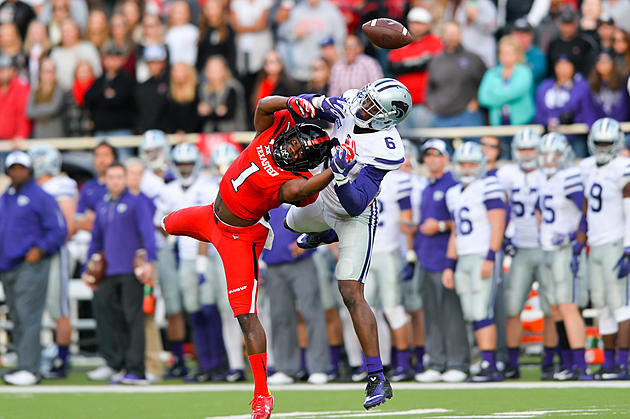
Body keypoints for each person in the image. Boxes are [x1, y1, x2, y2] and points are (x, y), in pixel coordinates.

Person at [162, 95, 335, 418]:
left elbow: (298, 192)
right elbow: (264, 105)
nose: (293, 150)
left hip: (239, 238)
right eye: (296, 142)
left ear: (305, 164)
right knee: (165, 224)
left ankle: (261, 394)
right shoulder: (271, 130)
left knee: (245, 315)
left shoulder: (294, 182)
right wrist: (298, 101)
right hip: (209, 216)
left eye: (302, 153)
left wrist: (334, 171)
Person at [286, 78, 413, 408]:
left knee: (349, 290)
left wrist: (342, 176)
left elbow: (356, 203)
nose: (362, 106)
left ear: (387, 118)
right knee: (287, 222)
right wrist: (311, 102)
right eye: (366, 99)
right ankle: (325, 233)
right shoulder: (353, 101)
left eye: (372, 106)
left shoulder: (387, 149)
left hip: (354, 212)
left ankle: (376, 378)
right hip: (323, 194)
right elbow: (305, 103)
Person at [157, 142, 227, 382]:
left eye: (188, 163)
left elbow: (209, 224)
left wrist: (201, 261)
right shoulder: (169, 190)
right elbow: (161, 220)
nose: (185, 169)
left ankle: (218, 363)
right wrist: (172, 239)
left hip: (205, 256)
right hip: (184, 257)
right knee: (194, 312)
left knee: (210, 310)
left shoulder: (207, 186)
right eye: (180, 164)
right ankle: (203, 365)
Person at [84, 162, 157, 385]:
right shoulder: (102, 205)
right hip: (109, 271)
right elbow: (96, 239)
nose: (115, 181)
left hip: (130, 271)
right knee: (113, 320)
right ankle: (123, 365)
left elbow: (148, 233)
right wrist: (87, 267)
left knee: (133, 319)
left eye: (119, 177)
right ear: (105, 179)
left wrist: (150, 262)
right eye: (111, 177)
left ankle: (137, 369)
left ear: (125, 179)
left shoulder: (136, 203)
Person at [497, 128, 559, 380]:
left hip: (546, 249)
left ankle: (549, 361)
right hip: (520, 248)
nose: (526, 154)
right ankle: (512, 363)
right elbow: (499, 207)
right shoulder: (506, 174)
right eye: (522, 149)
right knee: (513, 308)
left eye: (531, 149)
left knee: (551, 308)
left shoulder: (550, 174)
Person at [0, 151, 67, 386]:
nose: (17, 172)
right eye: (13, 168)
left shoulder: (41, 196)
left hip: (30, 264)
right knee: (17, 316)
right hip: (7, 264)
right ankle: (22, 363)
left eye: (21, 167)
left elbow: (58, 229)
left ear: (29, 170)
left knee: (29, 316)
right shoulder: (6, 196)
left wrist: (41, 248)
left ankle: (30, 367)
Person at [442, 141, 506, 382]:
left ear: (480, 165)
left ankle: (491, 363)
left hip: (482, 254)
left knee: (482, 311)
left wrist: (491, 256)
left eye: (471, 164)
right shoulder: (453, 193)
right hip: (464, 256)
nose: (467, 168)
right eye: (462, 164)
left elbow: (498, 224)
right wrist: (449, 265)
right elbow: (455, 232)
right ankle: (485, 361)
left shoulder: (489, 185)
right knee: (471, 312)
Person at [411, 139, 469, 383]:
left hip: (445, 256)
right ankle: (436, 361)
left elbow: (462, 222)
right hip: (426, 256)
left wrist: (442, 225)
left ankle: (458, 362)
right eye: (428, 155)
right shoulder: (426, 186)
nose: (432, 159)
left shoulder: (453, 186)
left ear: (446, 158)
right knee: (432, 313)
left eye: (437, 154)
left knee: (451, 313)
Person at [536, 133, 591, 381]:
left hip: (564, 251)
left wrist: (576, 238)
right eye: (545, 155)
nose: (549, 160)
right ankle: (567, 363)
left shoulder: (569, 176)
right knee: (556, 309)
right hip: (547, 249)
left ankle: (581, 364)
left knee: (568, 307)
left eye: (555, 154)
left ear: (564, 154)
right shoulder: (546, 179)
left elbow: (586, 210)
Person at [579, 117, 630, 380]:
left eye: (606, 143)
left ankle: (624, 363)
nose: (601, 147)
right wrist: (580, 239)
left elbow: (629, 209)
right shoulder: (587, 167)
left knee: (620, 305)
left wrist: (629, 247)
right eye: (598, 142)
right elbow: (586, 206)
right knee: (601, 307)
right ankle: (608, 363)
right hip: (595, 243)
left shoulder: (623, 167)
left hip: (615, 242)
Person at [262, 204, 329, 385]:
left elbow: (319, 217)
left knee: (311, 313)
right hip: (273, 264)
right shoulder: (266, 193)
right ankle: (286, 368)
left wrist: (309, 241)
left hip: (302, 262)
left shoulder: (300, 186)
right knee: (280, 317)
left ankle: (318, 367)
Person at [29, 145, 78, 379]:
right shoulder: (33, 187)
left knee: (59, 307)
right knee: (42, 307)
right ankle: (44, 354)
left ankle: (62, 358)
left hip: (54, 252)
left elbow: (67, 226)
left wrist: (44, 245)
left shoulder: (61, 185)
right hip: (35, 254)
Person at [364, 158, 414, 382]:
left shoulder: (399, 180)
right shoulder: (359, 177)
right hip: (366, 252)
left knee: (393, 310)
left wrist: (410, 252)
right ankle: (379, 364)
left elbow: (407, 219)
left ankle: (404, 363)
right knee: (368, 313)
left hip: (388, 252)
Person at [74, 141, 119, 382]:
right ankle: (108, 359)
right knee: (101, 308)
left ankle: (125, 360)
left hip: (120, 254)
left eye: (107, 155)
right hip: (99, 255)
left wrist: (99, 220)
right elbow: (79, 220)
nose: (102, 160)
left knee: (122, 312)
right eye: (98, 155)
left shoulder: (120, 186)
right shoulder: (90, 188)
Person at [389, 7, 443, 132]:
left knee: (426, 139)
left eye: (420, 23)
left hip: (425, 104)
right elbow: (393, 66)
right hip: (403, 104)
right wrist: (419, 61)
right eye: (413, 22)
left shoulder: (436, 42)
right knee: (406, 143)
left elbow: (432, 65)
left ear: (428, 24)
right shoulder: (401, 41)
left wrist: (408, 64)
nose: (416, 26)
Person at [426, 22, 486, 130]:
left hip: (467, 115)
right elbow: (430, 86)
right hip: (441, 117)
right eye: (448, 34)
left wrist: (477, 101)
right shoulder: (436, 60)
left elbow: (486, 82)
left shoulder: (473, 59)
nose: (451, 37)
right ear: (443, 35)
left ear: (460, 35)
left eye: (454, 33)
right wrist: (432, 104)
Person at [535, 55, 590, 157]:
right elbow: (539, 111)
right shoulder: (545, 86)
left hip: (574, 137)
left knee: (576, 166)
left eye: (566, 65)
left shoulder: (581, 86)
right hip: (550, 137)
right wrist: (546, 121)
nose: (563, 69)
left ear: (573, 67)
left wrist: (572, 119)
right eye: (560, 66)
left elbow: (585, 111)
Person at [478, 35, 535, 129]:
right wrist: (505, 95)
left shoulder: (524, 72)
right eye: (503, 53)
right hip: (498, 124)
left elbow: (514, 93)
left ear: (517, 54)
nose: (506, 56)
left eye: (509, 53)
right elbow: (483, 98)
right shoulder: (491, 73)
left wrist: (495, 96)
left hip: (522, 123)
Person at [284, 0, 345, 83]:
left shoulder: (331, 10)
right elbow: (284, 34)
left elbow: (340, 38)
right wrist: (294, 34)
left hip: (324, 71)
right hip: (301, 70)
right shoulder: (297, 11)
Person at [84, 43, 135, 137]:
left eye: (115, 58)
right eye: (109, 58)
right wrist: (104, 94)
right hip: (101, 130)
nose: (112, 61)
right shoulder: (100, 80)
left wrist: (102, 97)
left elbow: (120, 100)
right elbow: (87, 97)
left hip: (121, 130)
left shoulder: (127, 80)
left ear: (122, 60)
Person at [198, 55, 248, 132]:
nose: (214, 74)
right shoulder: (203, 89)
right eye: (211, 70)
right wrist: (216, 112)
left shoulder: (233, 87)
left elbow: (229, 114)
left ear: (224, 70)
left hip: (232, 133)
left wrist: (209, 112)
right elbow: (200, 115)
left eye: (217, 70)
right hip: (209, 135)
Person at [49, 18, 101, 90]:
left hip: (86, 92)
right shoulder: (55, 53)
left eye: (70, 30)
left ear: (77, 31)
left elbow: (98, 72)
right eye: (64, 31)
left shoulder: (88, 48)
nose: (67, 34)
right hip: (62, 95)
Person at [581, 50, 630, 126]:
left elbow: (625, 108)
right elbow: (588, 111)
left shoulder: (623, 82)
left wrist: (615, 126)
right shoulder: (590, 84)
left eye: (606, 60)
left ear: (613, 63)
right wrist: (595, 127)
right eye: (599, 61)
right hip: (598, 129)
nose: (603, 63)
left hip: (621, 127)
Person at [547, 7, 598, 78]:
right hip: (557, 84)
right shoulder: (553, 44)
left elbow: (590, 68)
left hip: (580, 83)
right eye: (565, 24)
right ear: (559, 24)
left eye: (570, 24)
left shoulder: (585, 43)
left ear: (576, 23)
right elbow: (549, 70)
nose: (567, 28)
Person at [328, 34, 383, 98]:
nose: (349, 49)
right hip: (343, 104)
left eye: (352, 46)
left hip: (365, 103)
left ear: (359, 48)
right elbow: (333, 93)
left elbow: (377, 88)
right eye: (346, 46)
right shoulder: (337, 67)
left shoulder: (369, 63)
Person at [447, 0, 497, 68]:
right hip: (463, 56)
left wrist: (477, 17)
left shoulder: (484, 3)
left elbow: (493, 27)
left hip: (482, 56)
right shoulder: (456, 4)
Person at [26, 57, 65, 138]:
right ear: (40, 73)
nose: (49, 74)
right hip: (38, 135)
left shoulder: (59, 89)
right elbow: (29, 111)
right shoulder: (35, 91)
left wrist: (37, 108)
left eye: (52, 71)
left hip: (56, 136)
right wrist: (46, 109)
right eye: (46, 71)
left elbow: (53, 109)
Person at [134, 44, 170, 133]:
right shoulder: (141, 87)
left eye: (157, 62)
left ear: (163, 63)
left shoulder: (171, 85)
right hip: (145, 134)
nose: (154, 66)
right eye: (151, 62)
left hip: (166, 134)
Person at [197, 0, 236, 75]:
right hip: (205, 72)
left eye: (214, 8)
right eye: (208, 8)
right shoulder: (202, 29)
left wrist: (231, 71)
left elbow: (232, 54)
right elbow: (200, 55)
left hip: (223, 72)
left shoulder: (228, 29)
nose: (211, 12)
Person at [0, 54, 31, 141]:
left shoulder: (21, 87)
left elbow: (24, 114)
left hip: (15, 142)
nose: (2, 73)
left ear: (13, 71)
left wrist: (21, 134)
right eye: (1, 70)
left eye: (6, 70)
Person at [510, 18, 547, 89]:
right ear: (512, 35)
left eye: (525, 34)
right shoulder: (506, 53)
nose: (521, 38)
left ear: (531, 36)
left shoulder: (539, 55)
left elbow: (527, 78)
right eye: (518, 34)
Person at [165, 61, 200, 133]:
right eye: (176, 71)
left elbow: (197, 118)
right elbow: (167, 118)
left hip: (193, 134)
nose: (178, 74)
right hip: (174, 136)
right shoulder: (168, 93)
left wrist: (187, 132)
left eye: (181, 71)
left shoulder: (197, 91)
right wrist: (175, 131)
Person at [64, 60, 94, 137]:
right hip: (74, 134)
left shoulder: (96, 91)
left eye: (86, 71)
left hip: (92, 135)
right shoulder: (69, 93)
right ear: (76, 73)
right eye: (81, 71)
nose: (84, 74)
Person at [165, 1, 198, 67]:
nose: (180, 16)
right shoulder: (167, 33)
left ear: (188, 14)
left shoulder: (194, 31)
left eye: (183, 12)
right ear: (172, 14)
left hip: (190, 68)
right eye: (177, 12)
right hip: (173, 68)